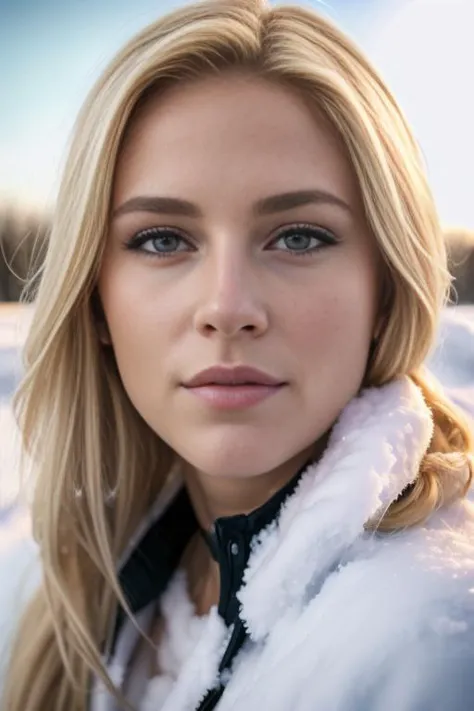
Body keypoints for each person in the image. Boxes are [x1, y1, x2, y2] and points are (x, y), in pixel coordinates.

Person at [1, 1, 474, 709]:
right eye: (162, 239)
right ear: (95, 297)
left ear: (384, 287)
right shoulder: (49, 586)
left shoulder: (433, 646)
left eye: (299, 236)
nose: (226, 306)